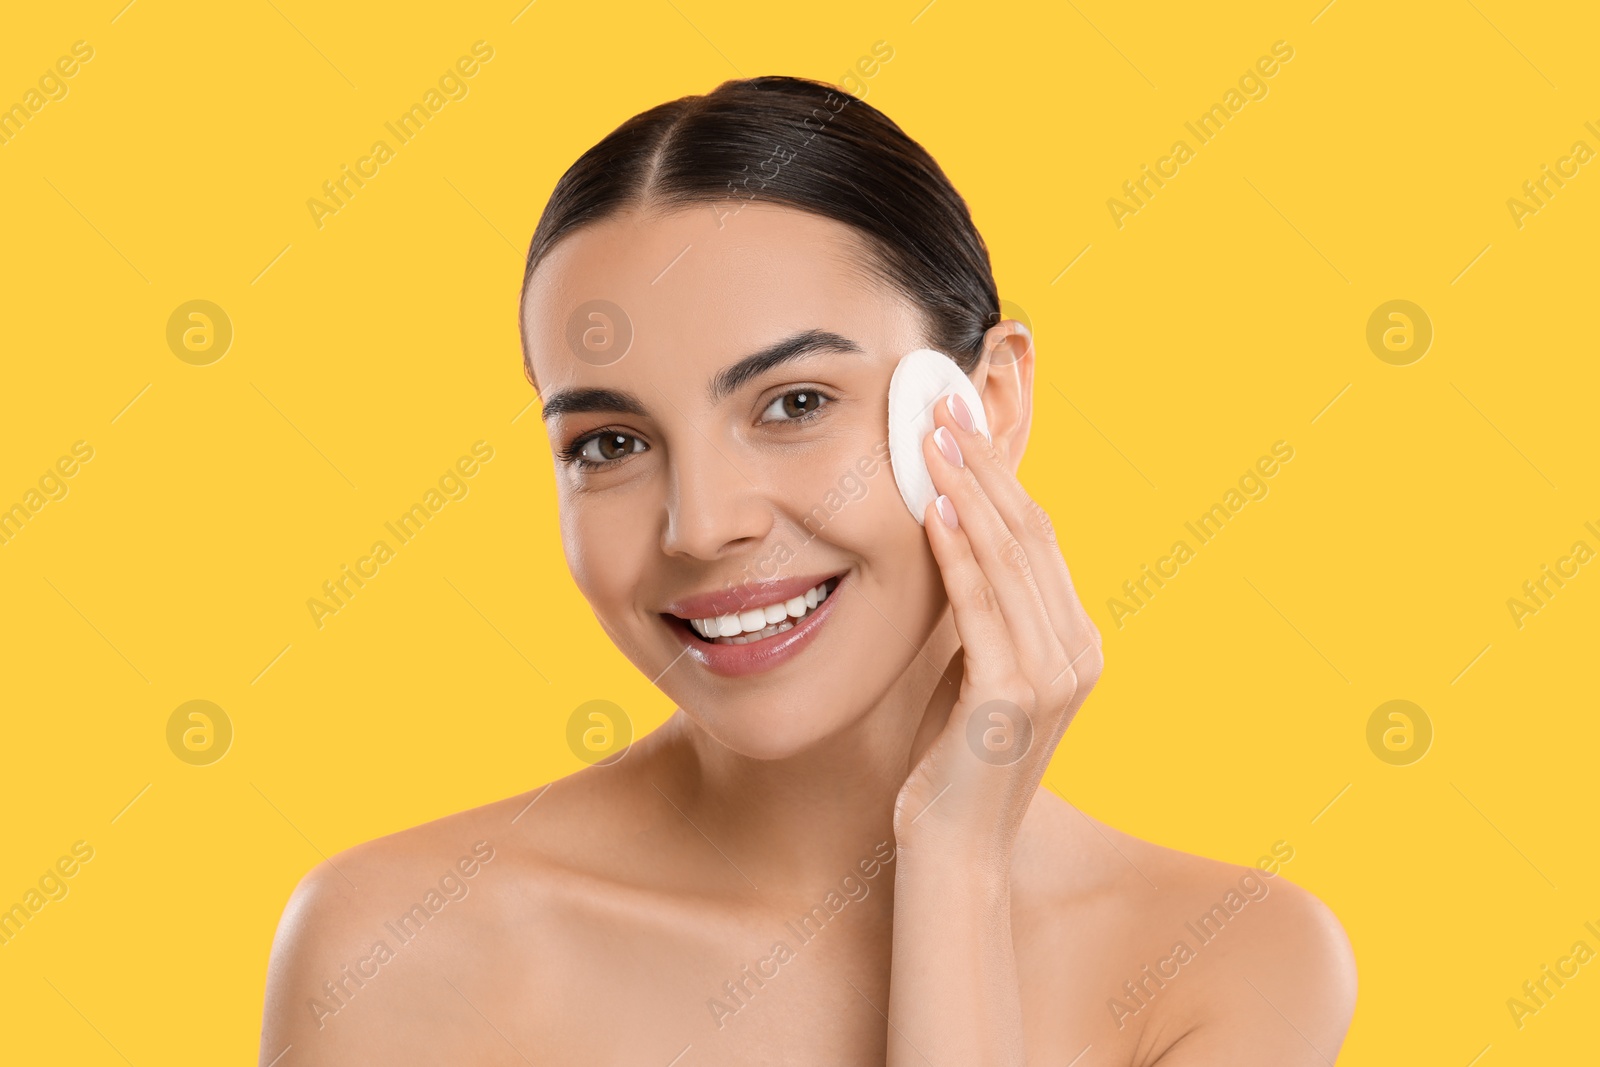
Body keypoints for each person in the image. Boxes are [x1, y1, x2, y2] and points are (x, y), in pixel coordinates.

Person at [259, 74, 1356, 1065]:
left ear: (988, 403)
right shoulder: (401, 947)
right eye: (610, 442)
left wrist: (953, 857)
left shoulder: (1231, 965)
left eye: (793, 403)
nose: (702, 523)